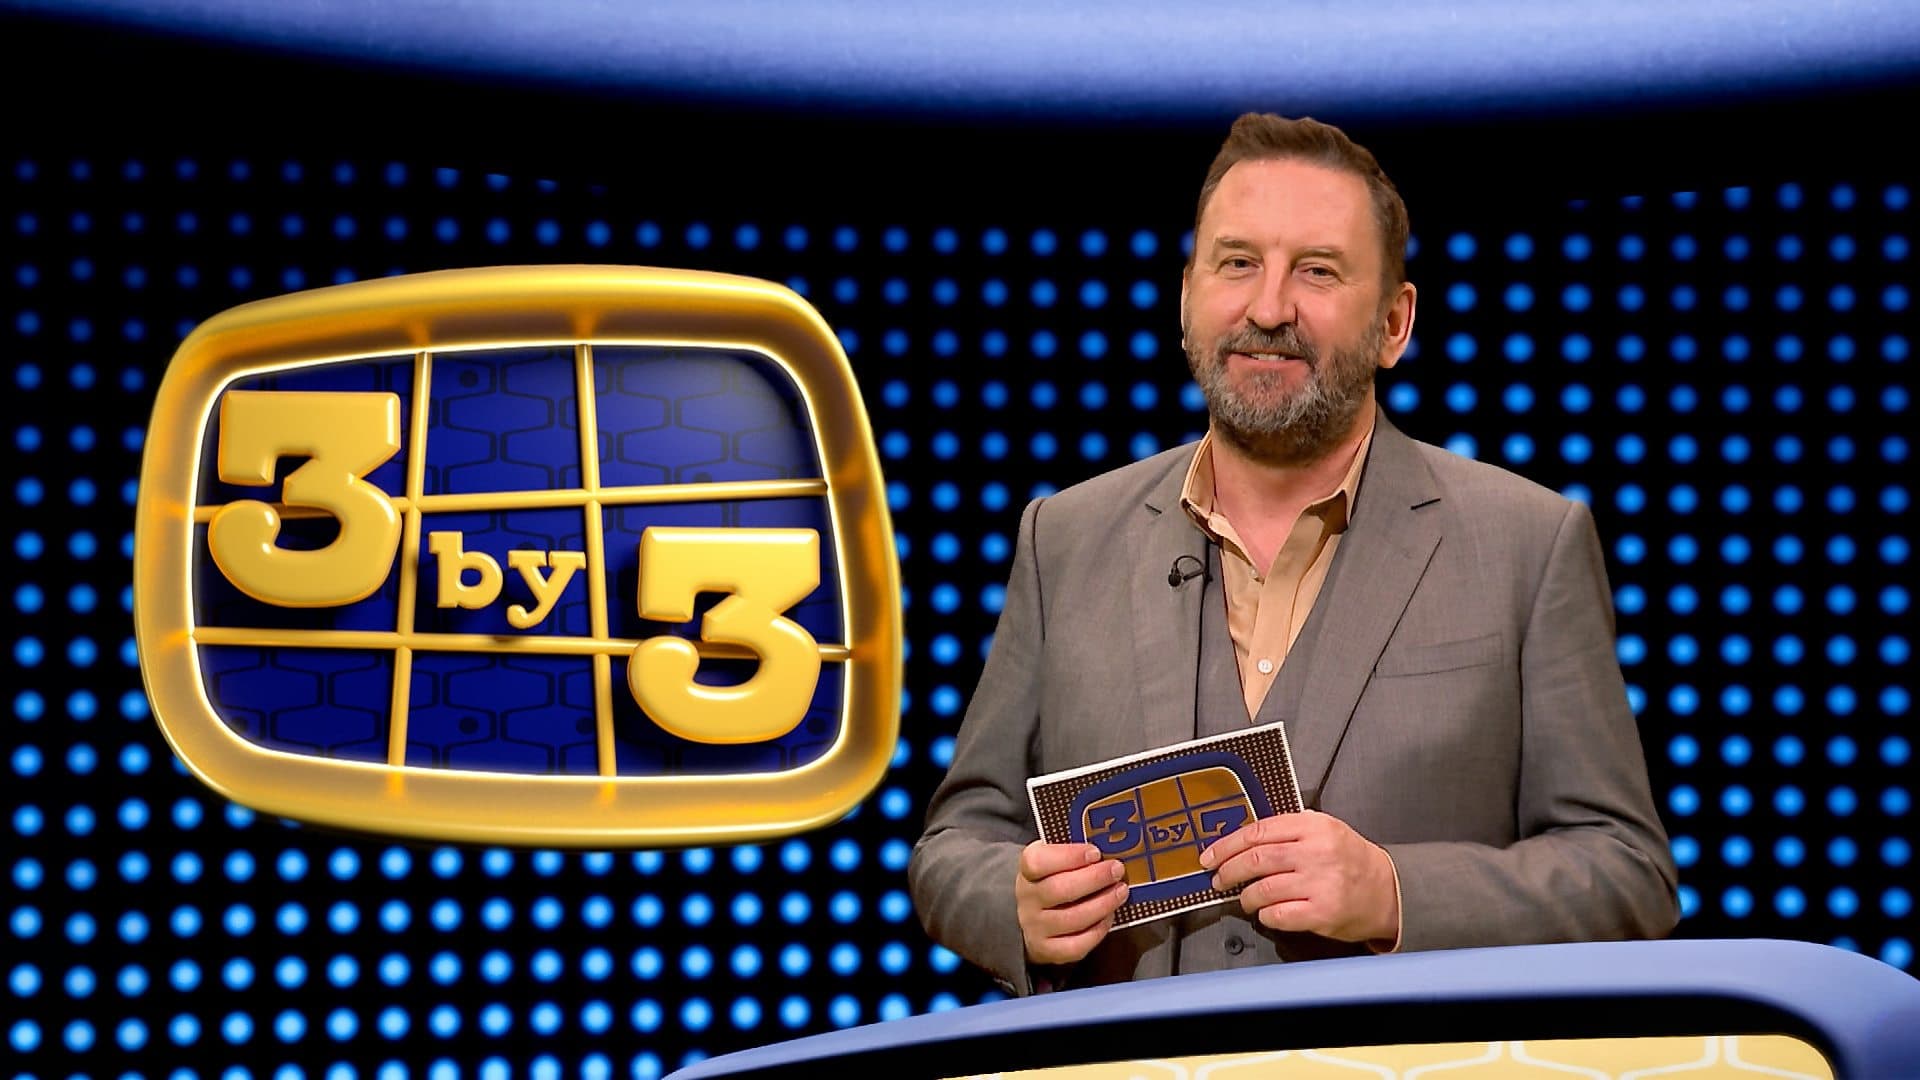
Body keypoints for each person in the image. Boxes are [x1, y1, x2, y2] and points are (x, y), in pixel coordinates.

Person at [908, 113, 1679, 996]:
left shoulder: (1527, 543)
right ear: (1187, 296)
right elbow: (956, 842)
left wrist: (1395, 894)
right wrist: (1013, 903)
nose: (1269, 309)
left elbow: (1628, 874)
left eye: (1317, 271)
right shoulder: (1065, 537)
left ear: (1395, 322)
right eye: (1237, 263)